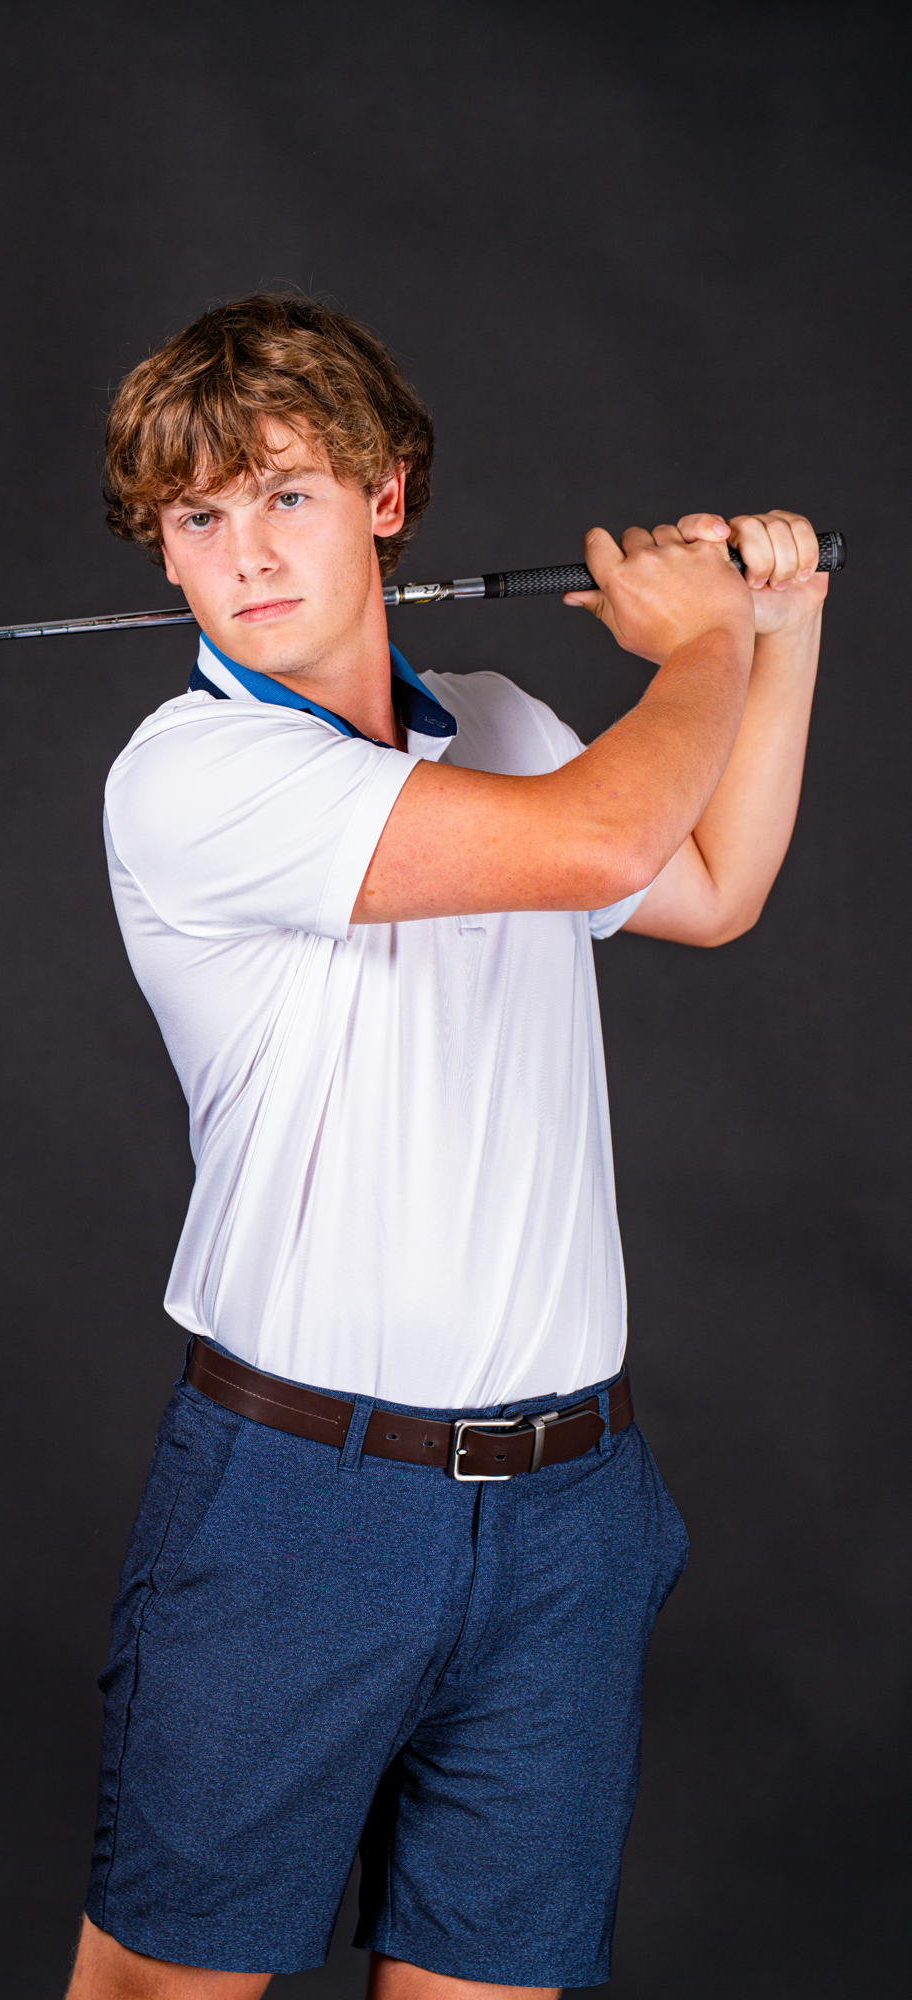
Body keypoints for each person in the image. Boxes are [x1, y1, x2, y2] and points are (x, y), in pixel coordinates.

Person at [65, 296, 825, 2000]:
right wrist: (697, 645)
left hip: (568, 1509)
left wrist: (777, 630)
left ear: (384, 497)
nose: (246, 554)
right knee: (159, 1989)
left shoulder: (497, 719)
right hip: (300, 1504)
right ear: (164, 552)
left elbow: (709, 886)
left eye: (285, 495)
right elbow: (601, 839)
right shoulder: (192, 777)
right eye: (197, 517)